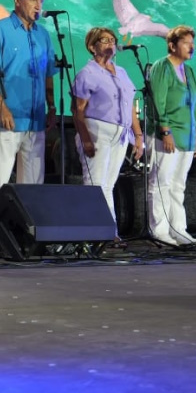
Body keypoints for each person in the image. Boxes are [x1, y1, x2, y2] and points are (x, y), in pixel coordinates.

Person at [0, 0, 58, 194]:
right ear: (17, 0)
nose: (38, 6)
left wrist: (51, 107)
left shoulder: (42, 34)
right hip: (8, 118)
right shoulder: (0, 29)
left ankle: (27, 227)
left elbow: (49, 73)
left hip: (36, 120)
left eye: (41, 1)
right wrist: (1, 106)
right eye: (33, 0)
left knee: (33, 186)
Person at [72, 27, 141, 237]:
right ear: (92, 47)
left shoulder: (121, 72)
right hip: (97, 130)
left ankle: (109, 233)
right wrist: (85, 139)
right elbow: (78, 109)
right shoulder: (88, 73)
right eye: (104, 40)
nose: (111, 43)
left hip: (120, 134)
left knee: (109, 184)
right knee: (95, 184)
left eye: (112, 39)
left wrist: (138, 136)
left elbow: (130, 106)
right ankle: (91, 233)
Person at [147, 25, 196, 244]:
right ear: (172, 45)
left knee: (179, 185)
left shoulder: (189, 70)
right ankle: (159, 230)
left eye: (192, 43)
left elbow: (195, 104)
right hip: (167, 134)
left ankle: (179, 229)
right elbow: (158, 101)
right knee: (161, 182)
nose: (192, 47)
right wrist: (165, 130)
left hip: (186, 135)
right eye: (186, 42)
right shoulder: (162, 67)